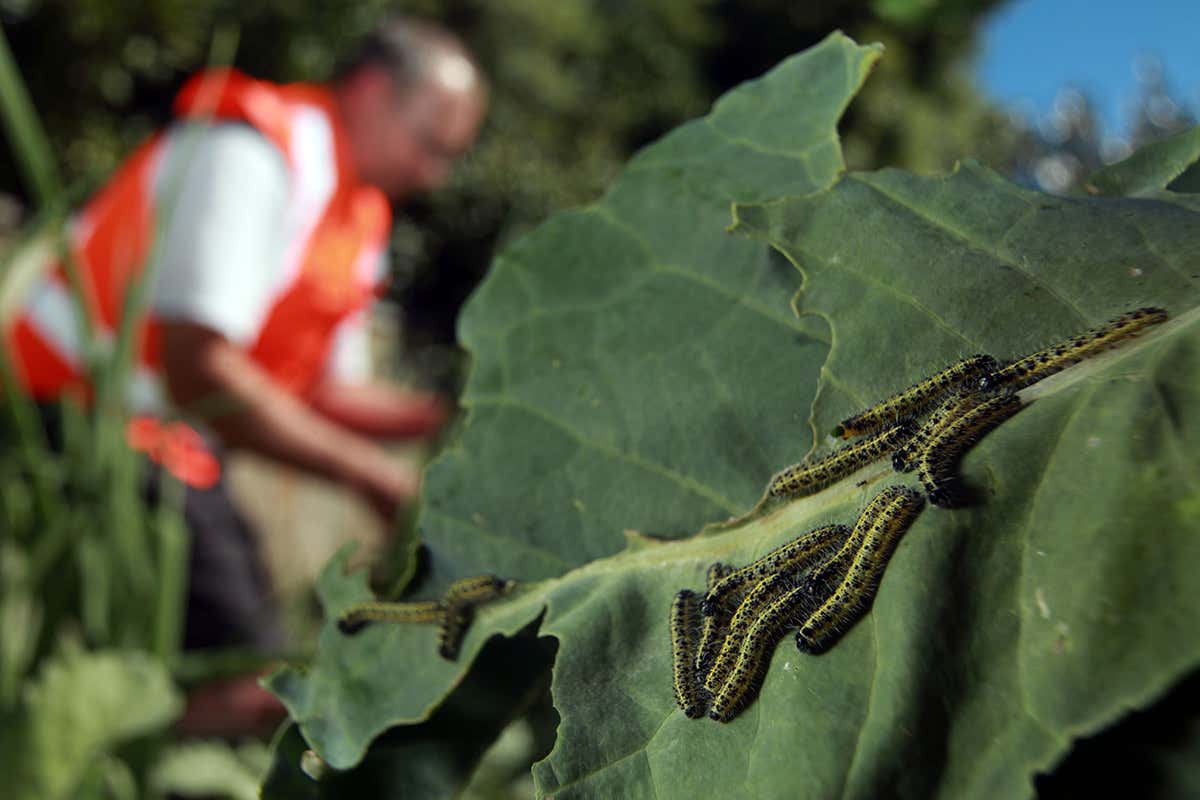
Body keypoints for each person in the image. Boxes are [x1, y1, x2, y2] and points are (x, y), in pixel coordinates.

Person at [3, 16, 487, 734]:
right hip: (71, 416)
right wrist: (377, 478)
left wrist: (452, 414)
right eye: (430, 145)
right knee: (249, 681)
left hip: (171, 440)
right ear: (372, 90)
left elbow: (320, 390)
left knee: (243, 663)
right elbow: (202, 371)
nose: (434, 174)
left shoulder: (358, 215)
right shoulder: (251, 153)